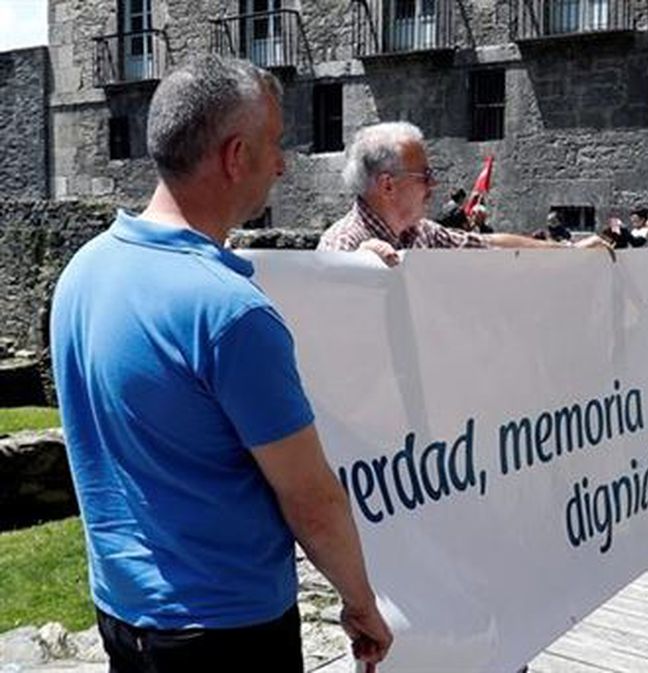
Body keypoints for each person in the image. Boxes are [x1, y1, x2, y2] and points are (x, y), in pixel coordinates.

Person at [49, 56, 392, 672]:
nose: (283, 162)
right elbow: (312, 499)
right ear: (235, 156)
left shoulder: (84, 269)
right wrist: (360, 601)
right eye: (274, 142)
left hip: (125, 613)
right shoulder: (231, 313)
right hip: (225, 628)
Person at [319, 122, 606, 264]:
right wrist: (356, 270)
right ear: (387, 185)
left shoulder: (423, 233)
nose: (433, 186)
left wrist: (571, 253)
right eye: (426, 176)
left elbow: (489, 245)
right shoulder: (342, 246)